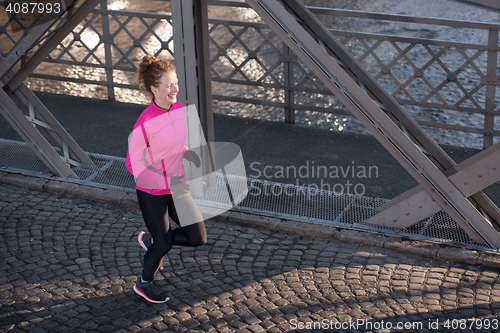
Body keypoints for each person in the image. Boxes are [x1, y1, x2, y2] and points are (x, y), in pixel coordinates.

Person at [126, 55, 207, 303]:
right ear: (154, 89)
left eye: (175, 83)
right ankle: (144, 283)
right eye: (169, 85)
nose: (175, 89)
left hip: (177, 187)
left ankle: (153, 239)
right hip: (152, 193)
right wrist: (161, 181)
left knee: (197, 238)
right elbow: (133, 164)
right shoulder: (145, 122)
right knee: (163, 246)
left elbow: (175, 144)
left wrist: (188, 154)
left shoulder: (180, 108)